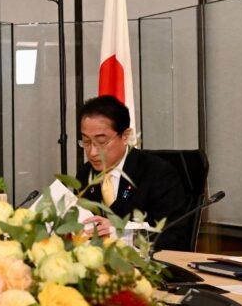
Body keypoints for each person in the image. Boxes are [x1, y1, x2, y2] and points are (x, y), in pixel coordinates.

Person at [75, 95, 192, 251]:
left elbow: (174, 237)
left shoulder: (157, 173)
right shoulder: (85, 173)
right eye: (86, 142)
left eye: (101, 142)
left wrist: (124, 234)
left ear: (125, 136)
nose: (92, 152)